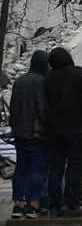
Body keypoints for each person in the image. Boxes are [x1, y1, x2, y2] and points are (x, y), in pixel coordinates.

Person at [44, 47, 82, 218]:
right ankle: (72, 205)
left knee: (56, 168)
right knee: (74, 167)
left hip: (54, 130)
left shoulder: (49, 77)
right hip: (75, 130)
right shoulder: (78, 73)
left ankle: (54, 206)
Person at [10, 50, 49, 219]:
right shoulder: (41, 82)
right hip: (36, 134)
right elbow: (42, 110)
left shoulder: (19, 81)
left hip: (19, 133)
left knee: (20, 169)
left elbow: (12, 107)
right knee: (36, 170)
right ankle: (34, 205)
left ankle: (18, 205)